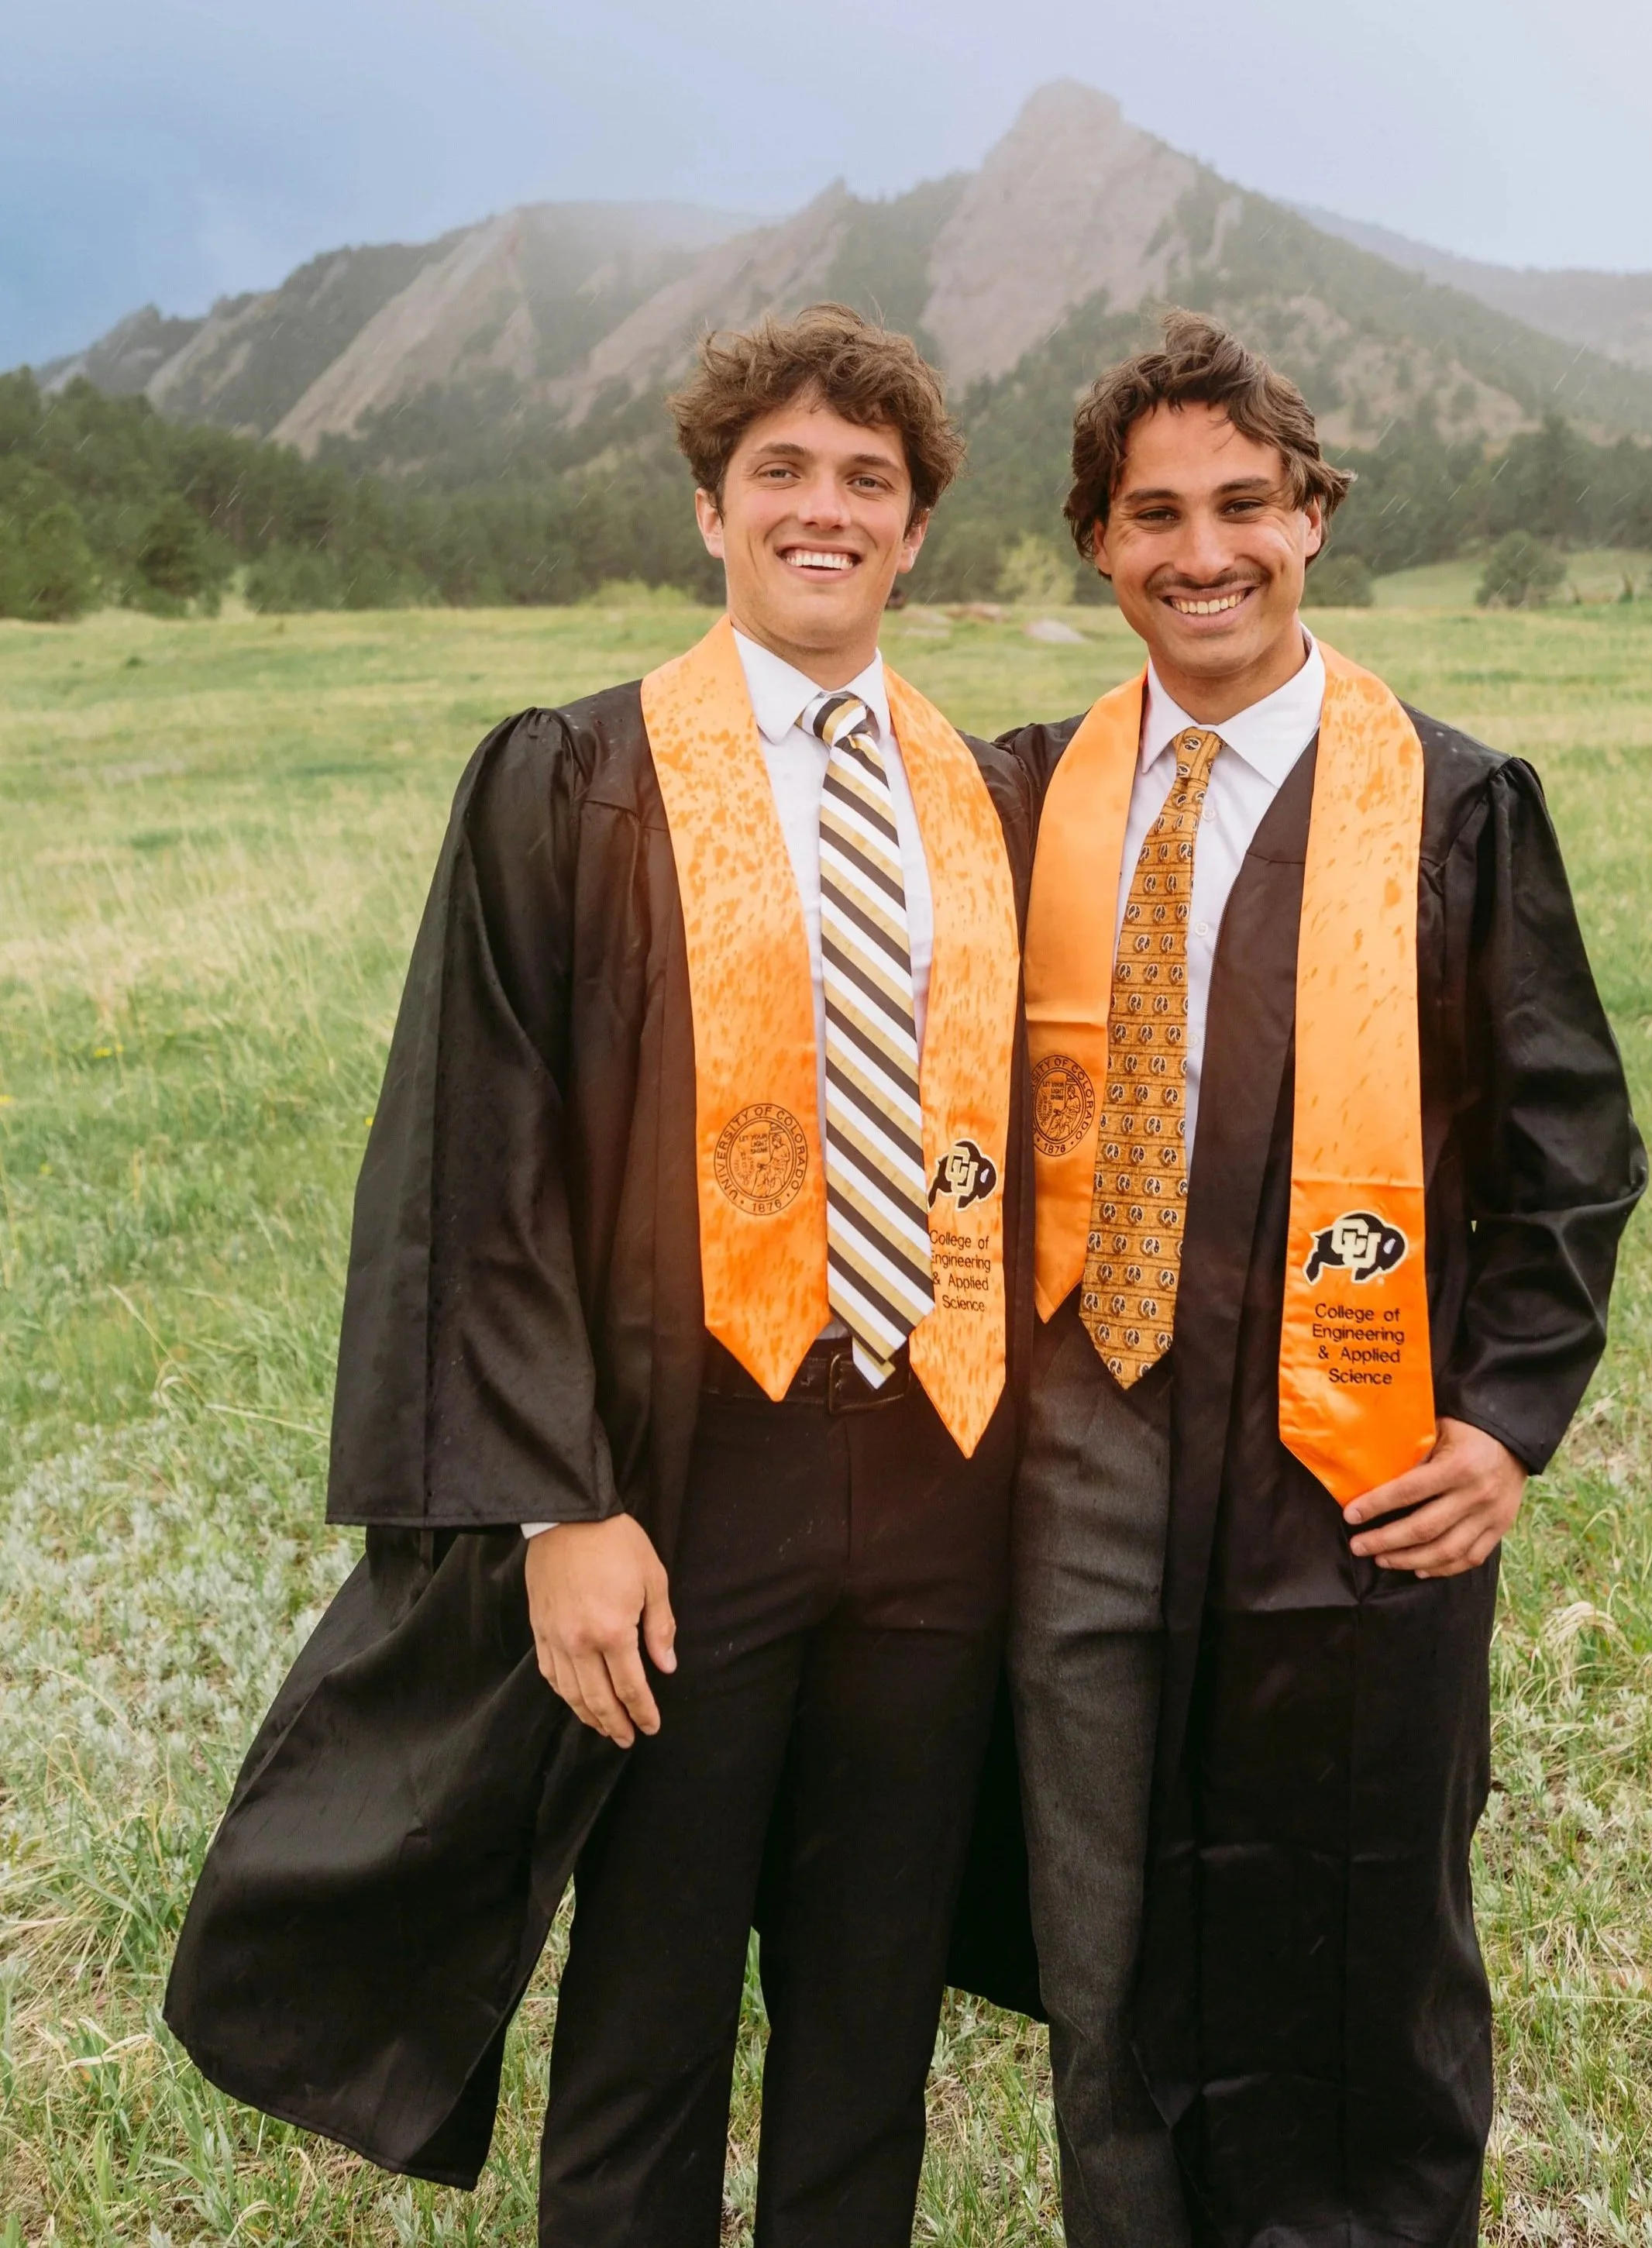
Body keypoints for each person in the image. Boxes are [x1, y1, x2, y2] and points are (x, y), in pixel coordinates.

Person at [165, 303, 1040, 2247]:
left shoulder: (987, 796)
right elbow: (480, 1160)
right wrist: (560, 1499)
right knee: (643, 2018)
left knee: (868, 2015)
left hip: (938, 1482)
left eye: (868, 483)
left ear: (913, 537)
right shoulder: (574, 780)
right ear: (710, 515)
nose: (825, 510)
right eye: (784, 474)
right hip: (680, 1482)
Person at [1000, 312, 1646, 2247]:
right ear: (1099, 549)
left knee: (1353, 1916)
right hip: (1077, 1454)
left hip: (1343, 1459)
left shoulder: (1449, 803)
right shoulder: (1030, 790)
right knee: (1099, 1937)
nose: (1202, 551)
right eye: (1153, 515)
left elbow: (1569, 1152)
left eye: (1243, 504)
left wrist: (1507, 1422)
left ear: (1314, 518)